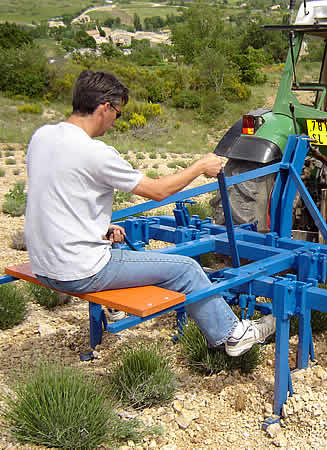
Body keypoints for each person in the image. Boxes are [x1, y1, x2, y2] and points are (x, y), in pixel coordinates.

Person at [24, 70, 275, 357]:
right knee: (187, 269)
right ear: (105, 107)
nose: (115, 121)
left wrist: (100, 228)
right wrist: (198, 168)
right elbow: (156, 191)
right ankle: (232, 334)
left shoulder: (41, 136)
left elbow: (58, 195)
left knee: (135, 251)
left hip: (43, 265)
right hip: (78, 270)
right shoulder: (95, 152)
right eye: (118, 113)